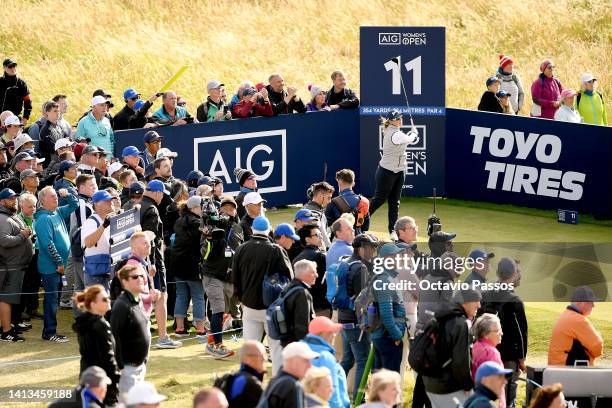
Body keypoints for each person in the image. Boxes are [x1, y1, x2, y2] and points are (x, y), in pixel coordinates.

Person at [232, 216, 293, 374]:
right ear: (269, 231)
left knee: (251, 350)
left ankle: (249, 383)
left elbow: (235, 279)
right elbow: (289, 278)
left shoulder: (241, 249)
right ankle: (278, 385)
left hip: (249, 306)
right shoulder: (276, 250)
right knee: (277, 350)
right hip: (271, 307)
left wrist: (242, 299)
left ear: (252, 230)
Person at [479, 257, 527, 408]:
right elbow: (520, 333)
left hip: (486, 353)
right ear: (513, 274)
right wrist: (521, 359)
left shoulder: (485, 294)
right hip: (508, 356)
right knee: (507, 396)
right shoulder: (515, 301)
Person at [199, 196, 244, 357]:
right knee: (218, 308)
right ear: (219, 210)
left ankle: (211, 341)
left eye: (232, 208)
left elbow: (239, 251)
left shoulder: (238, 228)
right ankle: (217, 345)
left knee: (227, 311)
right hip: (212, 275)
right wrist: (210, 239)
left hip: (230, 276)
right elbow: (205, 254)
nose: (228, 211)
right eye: (225, 208)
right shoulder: (211, 227)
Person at [140, 180, 182, 349]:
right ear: (157, 193)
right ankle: (163, 337)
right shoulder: (151, 209)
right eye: (163, 194)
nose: (163, 197)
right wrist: (150, 263)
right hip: (152, 262)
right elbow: (147, 239)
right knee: (160, 297)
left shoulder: (136, 206)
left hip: (137, 260)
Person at [423, 289, 481, 408]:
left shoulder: (438, 317)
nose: (479, 305)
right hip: (449, 387)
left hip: (431, 385)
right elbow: (460, 360)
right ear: (466, 302)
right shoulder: (461, 324)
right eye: (477, 300)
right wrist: (467, 386)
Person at [337, 233, 378, 402]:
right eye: (371, 247)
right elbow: (363, 299)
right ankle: (359, 399)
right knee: (362, 360)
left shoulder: (346, 261)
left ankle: (335, 392)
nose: (374, 251)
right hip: (356, 322)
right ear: (361, 248)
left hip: (343, 318)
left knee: (347, 359)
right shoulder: (360, 268)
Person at [34, 186, 78, 342]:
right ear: (42, 200)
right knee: (51, 300)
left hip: (59, 266)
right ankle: (49, 332)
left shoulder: (57, 212)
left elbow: (75, 205)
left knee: (55, 299)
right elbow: (47, 244)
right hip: (51, 267)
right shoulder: (43, 219)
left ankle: (50, 331)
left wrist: (68, 195)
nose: (56, 198)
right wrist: (59, 262)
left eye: (56, 196)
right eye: (52, 196)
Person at [368, 110, 418, 237]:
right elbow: (410, 139)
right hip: (386, 172)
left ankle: (393, 231)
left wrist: (412, 133)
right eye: (397, 118)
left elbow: (406, 139)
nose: (400, 120)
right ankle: (358, 219)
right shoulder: (394, 133)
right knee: (379, 200)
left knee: (394, 202)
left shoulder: (395, 131)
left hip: (400, 171)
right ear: (391, 121)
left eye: (400, 118)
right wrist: (414, 132)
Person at [72, 285, 120, 405]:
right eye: (104, 299)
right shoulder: (100, 325)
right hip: (102, 380)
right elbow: (107, 358)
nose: (109, 300)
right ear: (93, 304)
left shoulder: (85, 323)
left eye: (108, 298)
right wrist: (117, 380)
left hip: (87, 375)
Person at [110, 264, 151, 400]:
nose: (140, 279)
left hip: (139, 367)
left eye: (141, 276)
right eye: (135, 277)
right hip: (127, 370)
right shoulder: (121, 305)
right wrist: (120, 367)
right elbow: (114, 337)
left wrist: (144, 361)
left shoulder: (136, 301)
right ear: (125, 282)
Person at [0, 188, 34, 342]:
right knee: (6, 299)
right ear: (2, 201)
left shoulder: (10, 215)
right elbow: (4, 241)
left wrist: (27, 235)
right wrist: (22, 236)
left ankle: (8, 326)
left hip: (15, 265)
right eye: (10, 198)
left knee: (9, 298)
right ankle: (6, 332)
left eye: (15, 198)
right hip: (9, 266)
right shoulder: (2, 218)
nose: (14, 201)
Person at [171, 196, 207, 336]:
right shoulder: (198, 223)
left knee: (181, 295)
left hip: (178, 264)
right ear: (193, 208)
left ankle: (180, 328)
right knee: (198, 296)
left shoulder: (179, 221)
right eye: (201, 207)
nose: (203, 210)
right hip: (192, 264)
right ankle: (200, 329)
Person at [371, 243, 407, 373]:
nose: (401, 258)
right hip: (388, 338)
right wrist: (397, 336)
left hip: (384, 336)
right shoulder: (385, 280)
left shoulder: (387, 277)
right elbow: (386, 314)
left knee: (380, 380)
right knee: (389, 380)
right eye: (398, 255)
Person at [548, 285, 603, 366]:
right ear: (583, 302)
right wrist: (598, 335)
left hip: (558, 369)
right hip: (570, 372)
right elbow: (597, 348)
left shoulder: (566, 315)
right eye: (591, 302)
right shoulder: (578, 320)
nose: (594, 305)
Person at [302, 316, 350, 408]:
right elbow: (332, 392)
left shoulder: (300, 350)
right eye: (332, 332)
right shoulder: (325, 357)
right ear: (323, 333)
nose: (334, 335)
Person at [259, 342, 319, 408]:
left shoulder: (274, 381)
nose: (310, 366)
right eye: (306, 361)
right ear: (294, 361)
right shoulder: (293, 386)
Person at [214, 340, 265, 408]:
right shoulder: (252, 383)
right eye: (261, 355)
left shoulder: (227, 377)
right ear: (247, 358)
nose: (264, 358)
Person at [294, 225, 330, 317]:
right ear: (307, 239)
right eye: (317, 234)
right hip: (321, 305)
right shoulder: (320, 256)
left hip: (303, 304)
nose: (321, 236)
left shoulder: (296, 259)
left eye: (321, 233)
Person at [82, 190, 115, 290]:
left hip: (108, 269)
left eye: (111, 200)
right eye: (106, 201)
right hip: (95, 273)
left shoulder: (111, 219)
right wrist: (103, 226)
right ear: (96, 204)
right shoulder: (91, 222)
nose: (110, 203)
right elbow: (88, 243)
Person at [471, 313, 506, 408]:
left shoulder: (475, 347)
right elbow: (495, 385)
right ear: (485, 334)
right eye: (498, 330)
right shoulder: (491, 353)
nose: (501, 333)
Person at [281, 259, 317, 347]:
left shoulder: (289, 287)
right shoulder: (302, 293)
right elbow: (302, 325)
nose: (316, 275)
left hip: (287, 340)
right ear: (303, 274)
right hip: (297, 344)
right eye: (313, 272)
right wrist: (306, 346)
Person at [325, 169, 369, 233]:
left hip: (340, 240)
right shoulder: (365, 201)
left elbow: (327, 228)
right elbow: (365, 227)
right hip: (358, 239)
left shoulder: (332, 203)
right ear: (353, 183)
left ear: (339, 182)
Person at [0, 58, 32, 125]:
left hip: (15, 120)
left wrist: (26, 117)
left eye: (14, 66)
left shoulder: (21, 83)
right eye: (10, 66)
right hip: (1, 120)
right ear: (4, 68)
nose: (13, 68)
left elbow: (28, 102)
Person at [304, 181, 334, 249]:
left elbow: (324, 231)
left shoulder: (310, 209)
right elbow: (324, 239)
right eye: (328, 198)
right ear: (320, 195)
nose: (330, 201)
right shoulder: (313, 213)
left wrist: (333, 227)